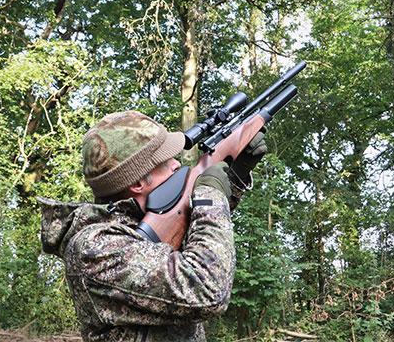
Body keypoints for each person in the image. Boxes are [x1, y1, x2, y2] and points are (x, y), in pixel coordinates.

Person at [39, 110, 266, 342]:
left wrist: (235, 175)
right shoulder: (95, 246)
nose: (177, 164)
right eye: (166, 160)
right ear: (138, 183)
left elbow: (202, 239)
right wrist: (209, 195)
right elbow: (206, 289)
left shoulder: (144, 225)